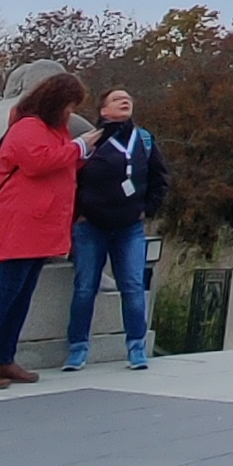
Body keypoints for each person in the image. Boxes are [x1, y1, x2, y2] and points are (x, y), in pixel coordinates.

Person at [0, 62, 81, 393]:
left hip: (40, 224)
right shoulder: (27, 127)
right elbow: (38, 162)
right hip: (20, 223)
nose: (71, 113)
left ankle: (4, 358)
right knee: (3, 294)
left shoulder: (53, 130)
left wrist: (81, 151)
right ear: (55, 102)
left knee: (21, 295)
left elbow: (61, 160)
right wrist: (79, 148)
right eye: (69, 106)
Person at [64, 87, 167, 371]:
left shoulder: (143, 140)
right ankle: (77, 349)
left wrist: (147, 209)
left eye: (128, 99)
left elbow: (159, 179)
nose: (125, 101)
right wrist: (78, 214)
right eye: (117, 99)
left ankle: (136, 347)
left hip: (129, 228)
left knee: (133, 287)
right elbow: (71, 180)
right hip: (91, 227)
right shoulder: (91, 142)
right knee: (85, 288)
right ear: (103, 110)